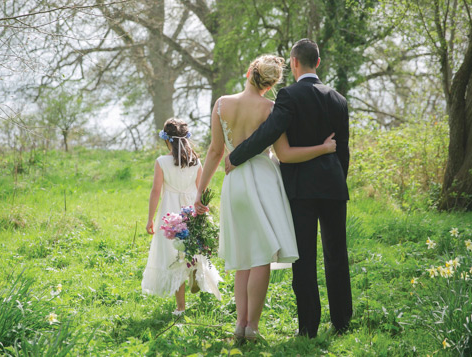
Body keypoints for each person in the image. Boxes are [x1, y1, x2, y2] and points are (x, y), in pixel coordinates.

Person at [194, 54, 337, 340]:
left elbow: (214, 152)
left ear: (249, 72)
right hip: (262, 180)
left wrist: (200, 193)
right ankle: (252, 327)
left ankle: (240, 325)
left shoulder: (222, 104)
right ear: (271, 83)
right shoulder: (272, 109)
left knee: (244, 256)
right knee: (260, 257)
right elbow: (282, 154)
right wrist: (323, 149)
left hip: (234, 184)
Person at [225, 39, 352, 338]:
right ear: (317, 63)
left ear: (294, 63)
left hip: (301, 190)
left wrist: (235, 156)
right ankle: (342, 321)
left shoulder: (289, 96)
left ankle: (308, 327)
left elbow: (269, 132)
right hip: (334, 188)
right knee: (337, 254)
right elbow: (343, 151)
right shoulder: (339, 99)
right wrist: (337, 180)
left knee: (304, 258)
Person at [142, 118, 222, 315]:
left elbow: (156, 191)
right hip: (192, 209)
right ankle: (194, 269)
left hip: (171, 211)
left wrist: (150, 218)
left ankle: (180, 307)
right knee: (193, 248)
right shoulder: (196, 162)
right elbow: (202, 188)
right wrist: (204, 208)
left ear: (167, 140)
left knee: (174, 256)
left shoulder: (162, 162)